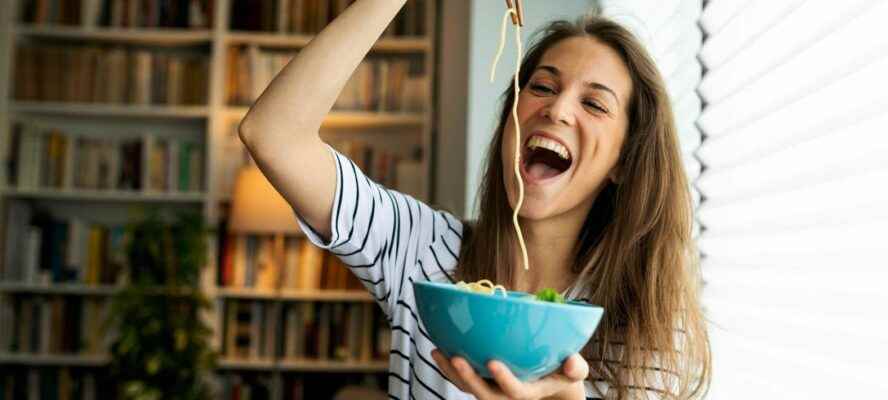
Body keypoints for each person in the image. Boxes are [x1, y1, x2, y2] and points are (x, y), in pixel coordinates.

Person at [238, 0, 711, 398]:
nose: (557, 108)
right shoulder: (422, 251)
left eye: (594, 103)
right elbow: (273, 133)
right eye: (542, 86)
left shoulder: (647, 328)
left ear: (624, 163)